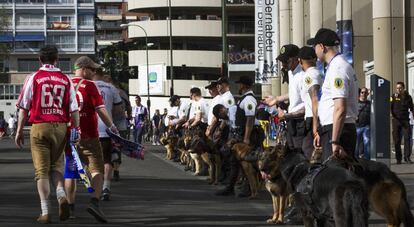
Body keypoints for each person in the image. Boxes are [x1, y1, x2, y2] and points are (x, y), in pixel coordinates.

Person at [15, 45, 80, 224]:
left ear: (40, 59)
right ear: (57, 59)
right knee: (57, 168)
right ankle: (61, 196)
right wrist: (76, 130)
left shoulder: (34, 77)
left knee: (41, 171)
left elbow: (24, 107)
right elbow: (74, 109)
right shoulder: (66, 79)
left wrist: (19, 130)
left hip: (40, 125)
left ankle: (45, 212)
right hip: (60, 127)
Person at [64, 56, 119, 223]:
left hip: (69, 136)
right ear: (84, 68)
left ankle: (71, 208)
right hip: (88, 135)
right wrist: (111, 126)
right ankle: (94, 202)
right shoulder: (90, 85)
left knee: (71, 173)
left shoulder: (65, 84)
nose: (94, 73)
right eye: (92, 69)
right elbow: (100, 108)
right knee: (97, 170)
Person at [307, 28, 359, 160]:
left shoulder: (338, 68)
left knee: (337, 177)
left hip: (339, 131)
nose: (314, 50)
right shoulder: (336, 66)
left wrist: (334, 141)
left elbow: (340, 107)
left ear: (322, 47)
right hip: (333, 129)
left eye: (315, 46)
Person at [216, 75, 264, 196]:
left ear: (244, 85)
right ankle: (233, 187)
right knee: (237, 161)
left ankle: (249, 189)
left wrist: (246, 138)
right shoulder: (244, 98)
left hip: (251, 134)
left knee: (248, 162)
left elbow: (250, 119)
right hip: (243, 133)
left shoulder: (249, 99)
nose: (238, 86)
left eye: (240, 84)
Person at [263, 44, 306, 152]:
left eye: (286, 61)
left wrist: (286, 115)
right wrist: (277, 99)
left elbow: (309, 104)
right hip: (291, 121)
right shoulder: (291, 73)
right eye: (282, 61)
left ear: (296, 59)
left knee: (299, 154)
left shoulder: (303, 75)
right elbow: (294, 93)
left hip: (300, 121)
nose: (283, 65)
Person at [93, 68, 123, 201]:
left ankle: (94, 189)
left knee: (91, 160)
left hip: (90, 128)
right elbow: (119, 111)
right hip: (107, 128)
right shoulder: (111, 88)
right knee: (107, 159)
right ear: (102, 74)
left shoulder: (87, 85)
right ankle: (106, 187)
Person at [297, 46, 323, 159]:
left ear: (300, 61)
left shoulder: (310, 75)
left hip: (313, 117)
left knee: (309, 150)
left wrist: (315, 125)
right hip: (315, 116)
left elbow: (315, 99)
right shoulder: (317, 73)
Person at [112, 84, 132, 181]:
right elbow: (128, 106)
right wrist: (129, 115)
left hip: (106, 123)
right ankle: (116, 170)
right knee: (118, 147)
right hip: (120, 123)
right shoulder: (122, 93)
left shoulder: (102, 89)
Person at [391, 82, 414, 164]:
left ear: (403, 88)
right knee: (397, 140)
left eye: (400, 88)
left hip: (405, 121)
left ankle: (407, 157)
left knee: (407, 138)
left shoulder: (408, 97)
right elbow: (389, 107)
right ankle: (398, 158)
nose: (398, 90)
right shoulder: (393, 96)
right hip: (396, 120)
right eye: (397, 88)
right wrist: (391, 115)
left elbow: (412, 108)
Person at [356, 87, 371, 159]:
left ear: (368, 94)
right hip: (357, 126)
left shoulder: (370, 104)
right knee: (356, 144)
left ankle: (367, 159)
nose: (363, 94)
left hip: (366, 126)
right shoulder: (356, 103)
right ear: (360, 93)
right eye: (362, 92)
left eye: (365, 92)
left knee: (367, 143)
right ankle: (355, 159)